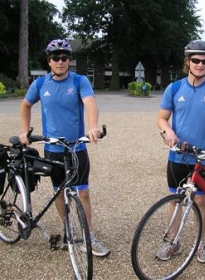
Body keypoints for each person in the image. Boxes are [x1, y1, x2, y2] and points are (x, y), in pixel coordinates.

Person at [19, 39, 111, 257]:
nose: (60, 61)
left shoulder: (79, 81)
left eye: (64, 58)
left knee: (84, 192)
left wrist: (93, 127)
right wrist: (25, 131)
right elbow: (25, 105)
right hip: (52, 149)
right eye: (55, 58)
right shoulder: (40, 84)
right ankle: (68, 229)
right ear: (49, 61)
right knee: (59, 192)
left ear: (69, 61)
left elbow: (90, 103)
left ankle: (88, 236)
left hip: (76, 147)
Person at [156, 40, 205, 262]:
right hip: (177, 156)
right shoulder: (175, 88)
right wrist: (168, 131)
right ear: (188, 62)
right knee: (175, 200)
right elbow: (161, 118)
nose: (199, 64)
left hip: (203, 159)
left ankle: (199, 244)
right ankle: (173, 242)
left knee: (200, 202)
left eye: (204, 61)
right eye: (195, 60)